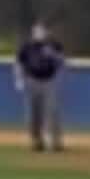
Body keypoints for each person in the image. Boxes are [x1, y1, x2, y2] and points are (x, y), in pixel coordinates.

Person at [13, 21, 65, 153]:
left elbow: (62, 62)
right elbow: (18, 63)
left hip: (49, 81)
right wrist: (19, 79)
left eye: (42, 31)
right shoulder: (27, 46)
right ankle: (37, 141)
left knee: (52, 111)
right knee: (33, 113)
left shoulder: (54, 45)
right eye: (37, 31)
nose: (39, 34)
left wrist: (53, 55)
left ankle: (55, 141)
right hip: (32, 80)